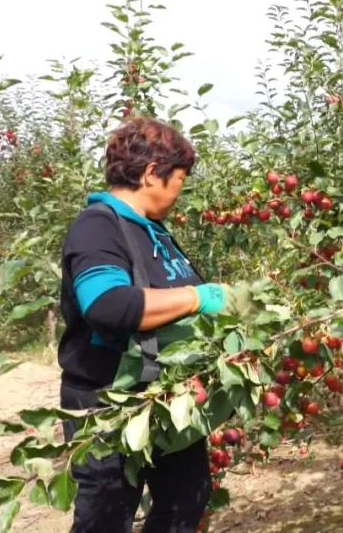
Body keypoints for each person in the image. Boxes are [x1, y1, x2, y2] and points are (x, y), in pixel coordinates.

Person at [57, 117, 232, 533]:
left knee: (186, 499)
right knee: (106, 516)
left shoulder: (155, 232)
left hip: (168, 398)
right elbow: (107, 304)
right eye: (180, 179)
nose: (180, 191)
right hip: (109, 405)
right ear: (153, 173)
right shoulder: (99, 225)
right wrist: (197, 297)